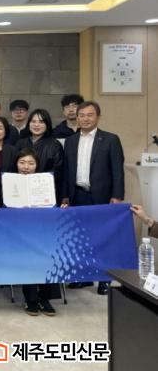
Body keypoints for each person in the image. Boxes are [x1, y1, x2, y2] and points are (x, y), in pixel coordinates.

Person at [62, 101, 124, 295]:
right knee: (80, 239)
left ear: (98, 117)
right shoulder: (70, 141)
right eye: (81, 115)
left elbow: (118, 170)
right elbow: (66, 171)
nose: (85, 119)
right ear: (77, 117)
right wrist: (65, 195)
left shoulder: (110, 139)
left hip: (102, 197)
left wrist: (117, 195)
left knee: (103, 239)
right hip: (77, 195)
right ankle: (85, 277)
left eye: (90, 115)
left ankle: (104, 279)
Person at [15, 149, 58, 317]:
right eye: (22, 163)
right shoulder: (8, 181)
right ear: (16, 164)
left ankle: (45, 299)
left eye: (31, 163)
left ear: (37, 166)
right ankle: (31, 299)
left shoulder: (45, 182)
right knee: (28, 258)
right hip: (18, 232)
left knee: (49, 255)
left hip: (42, 229)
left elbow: (52, 204)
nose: (26, 167)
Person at [16, 109, 64, 204]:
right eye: (33, 121)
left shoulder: (55, 144)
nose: (36, 125)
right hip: (21, 192)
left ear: (47, 125)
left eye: (41, 122)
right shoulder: (20, 143)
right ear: (28, 124)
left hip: (44, 193)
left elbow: (58, 171)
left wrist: (36, 182)